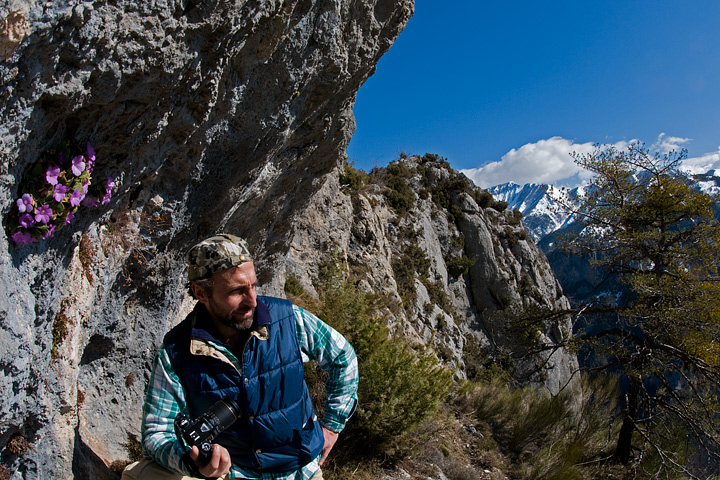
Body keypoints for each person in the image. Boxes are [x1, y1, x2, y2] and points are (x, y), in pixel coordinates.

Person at [122, 234, 358, 480]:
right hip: (232, 474)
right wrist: (192, 462)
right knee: (138, 475)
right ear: (200, 292)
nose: (253, 300)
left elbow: (343, 357)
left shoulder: (287, 318)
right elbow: (156, 433)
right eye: (237, 291)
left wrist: (332, 426)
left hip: (297, 472)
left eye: (253, 286)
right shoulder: (177, 350)